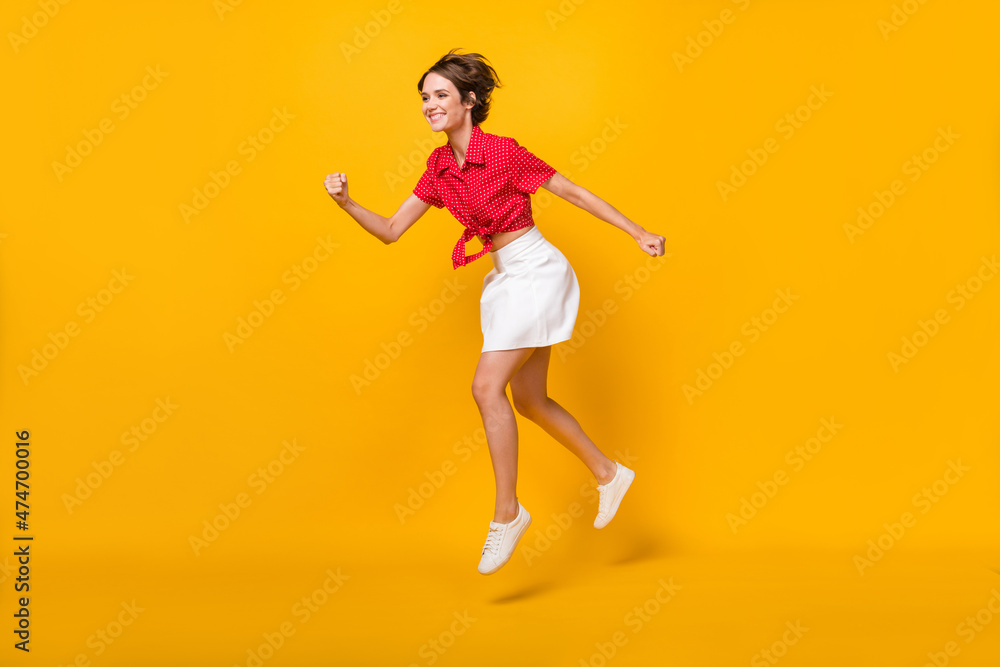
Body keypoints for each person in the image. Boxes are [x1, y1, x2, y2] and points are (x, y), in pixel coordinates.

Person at [324, 48, 666, 575]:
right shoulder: (439, 167)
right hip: (506, 277)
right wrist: (347, 203)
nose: (429, 105)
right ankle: (608, 472)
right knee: (529, 400)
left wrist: (637, 231)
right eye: (424, 97)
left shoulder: (502, 152)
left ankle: (507, 513)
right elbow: (392, 230)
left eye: (440, 95)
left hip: (537, 268)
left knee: (486, 388)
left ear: (470, 101)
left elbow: (569, 190)